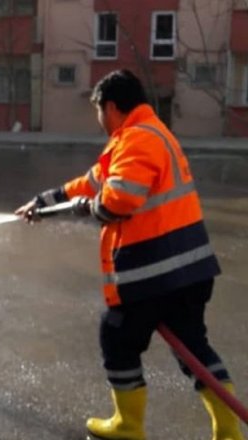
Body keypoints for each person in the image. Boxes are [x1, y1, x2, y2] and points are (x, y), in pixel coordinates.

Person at [15, 69, 244, 440]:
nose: (99, 121)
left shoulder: (138, 139)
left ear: (110, 106)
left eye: (99, 112)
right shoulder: (144, 137)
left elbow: (117, 200)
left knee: (117, 339)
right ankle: (228, 431)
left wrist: (92, 208)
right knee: (193, 350)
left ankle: (128, 426)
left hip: (154, 275)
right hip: (185, 270)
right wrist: (44, 202)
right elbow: (90, 183)